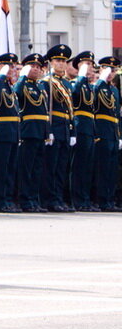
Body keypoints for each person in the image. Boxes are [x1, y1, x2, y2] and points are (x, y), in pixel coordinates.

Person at [41, 44, 74, 212]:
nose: (61, 64)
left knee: (62, 167)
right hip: (54, 127)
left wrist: (72, 132)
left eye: (64, 61)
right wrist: (49, 130)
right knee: (51, 166)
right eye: (57, 60)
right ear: (51, 62)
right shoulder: (46, 82)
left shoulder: (67, 85)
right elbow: (46, 108)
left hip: (65, 129)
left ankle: (59, 198)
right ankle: (49, 199)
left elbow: (71, 110)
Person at [0, 52, 21, 213]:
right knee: (0, 169)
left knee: (10, 168)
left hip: (13, 132)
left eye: (12, 66)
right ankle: (0, 201)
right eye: (6, 66)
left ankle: (8, 199)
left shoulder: (10, 88)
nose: (10, 69)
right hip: (1, 131)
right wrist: (0, 76)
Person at [14, 53, 48, 212]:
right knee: (26, 169)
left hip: (41, 131)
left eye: (38, 67)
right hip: (28, 131)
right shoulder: (23, 84)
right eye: (32, 66)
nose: (35, 69)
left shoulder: (40, 86)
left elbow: (46, 110)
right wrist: (21, 77)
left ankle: (34, 199)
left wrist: (48, 132)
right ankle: (25, 199)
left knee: (37, 169)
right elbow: (16, 95)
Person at [93, 56, 121, 212]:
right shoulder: (97, 86)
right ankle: (101, 199)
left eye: (114, 70)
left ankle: (109, 199)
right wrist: (100, 81)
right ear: (101, 70)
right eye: (107, 69)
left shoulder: (114, 89)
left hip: (113, 132)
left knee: (112, 169)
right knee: (102, 169)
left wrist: (119, 135)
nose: (111, 73)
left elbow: (116, 113)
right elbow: (93, 100)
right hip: (101, 132)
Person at [69, 51, 97, 211]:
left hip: (89, 128)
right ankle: (77, 199)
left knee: (87, 166)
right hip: (80, 126)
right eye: (86, 64)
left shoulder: (89, 86)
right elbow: (74, 95)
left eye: (91, 65)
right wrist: (80, 76)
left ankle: (85, 199)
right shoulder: (75, 83)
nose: (90, 68)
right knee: (78, 166)